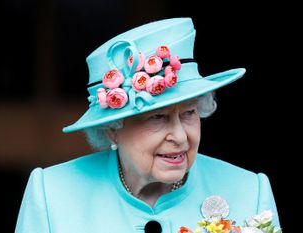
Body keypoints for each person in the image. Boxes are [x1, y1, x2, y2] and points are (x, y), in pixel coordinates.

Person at [15, 17, 281, 233]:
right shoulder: (53, 194)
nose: (180, 136)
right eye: (158, 117)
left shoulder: (249, 190)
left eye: (189, 113)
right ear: (112, 129)